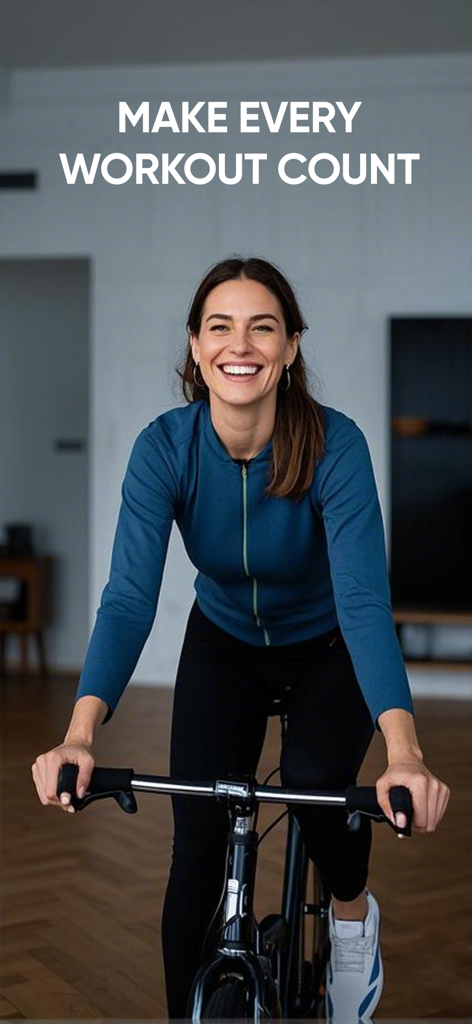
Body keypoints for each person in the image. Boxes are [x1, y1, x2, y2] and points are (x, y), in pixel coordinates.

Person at [32, 256, 450, 1022]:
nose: (241, 344)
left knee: (320, 789)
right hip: (223, 643)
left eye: (263, 327)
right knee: (195, 847)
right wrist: (79, 735)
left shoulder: (335, 446)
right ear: (196, 345)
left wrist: (405, 753)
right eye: (220, 326)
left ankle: (352, 920)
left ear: (291, 346)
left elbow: (363, 602)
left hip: (327, 646)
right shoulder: (165, 449)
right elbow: (128, 599)